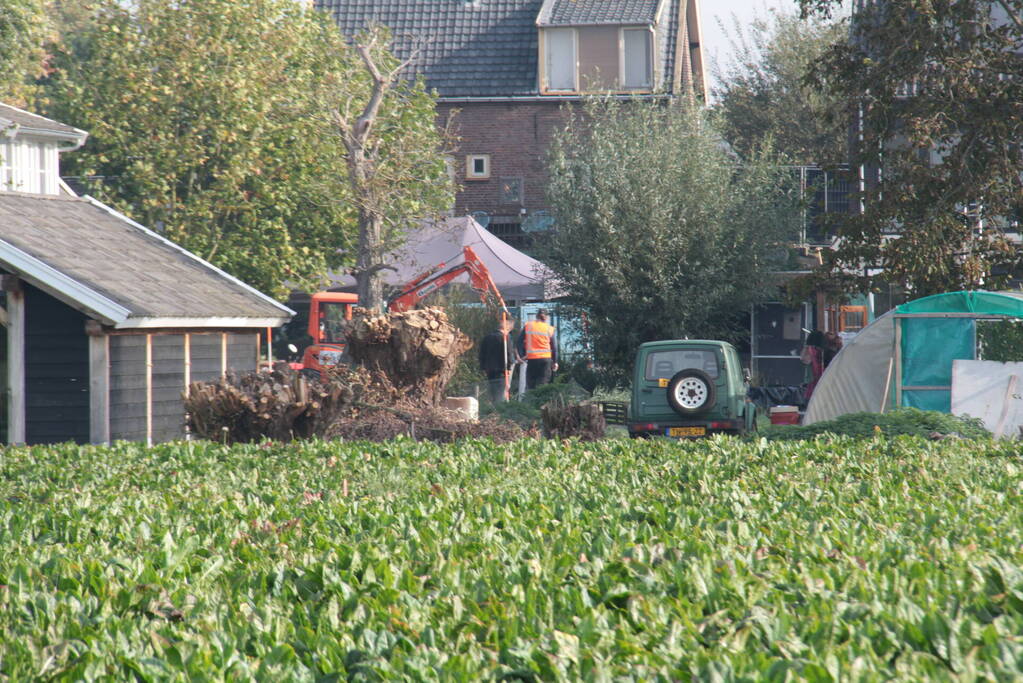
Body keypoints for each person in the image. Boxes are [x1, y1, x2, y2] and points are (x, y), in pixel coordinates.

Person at [517, 309, 558, 390]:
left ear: (536, 316)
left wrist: (522, 355)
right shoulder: (549, 328)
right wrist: (555, 362)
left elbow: (519, 341)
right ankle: (541, 402)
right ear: (546, 318)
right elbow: (554, 347)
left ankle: (532, 401)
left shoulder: (528, 326)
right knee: (543, 384)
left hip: (532, 360)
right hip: (545, 360)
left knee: (531, 384)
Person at [478, 315, 515, 403]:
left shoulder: (487, 337)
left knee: (493, 391)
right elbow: (509, 353)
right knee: (501, 392)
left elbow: (481, 353)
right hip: (502, 369)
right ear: (508, 328)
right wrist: (509, 367)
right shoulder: (506, 337)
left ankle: (494, 407)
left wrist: (483, 367)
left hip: (489, 369)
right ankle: (499, 409)